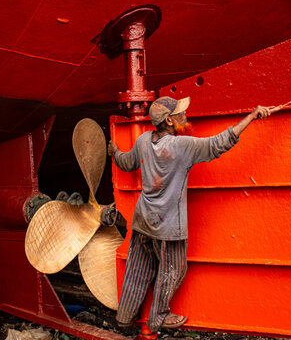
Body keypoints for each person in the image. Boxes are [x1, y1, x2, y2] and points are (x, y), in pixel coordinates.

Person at [108, 96, 271, 334]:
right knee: (173, 269)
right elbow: (220, 143)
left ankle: (124, 318)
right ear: (170, 121)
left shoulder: (144, 140)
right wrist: (252, 116)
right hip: (168, 226)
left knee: (137, 269)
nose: (185, 116)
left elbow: (127, 162)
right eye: (181, 114)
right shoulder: (181, 145)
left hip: (143, 219)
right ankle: (159, 317)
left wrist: (114, 152)